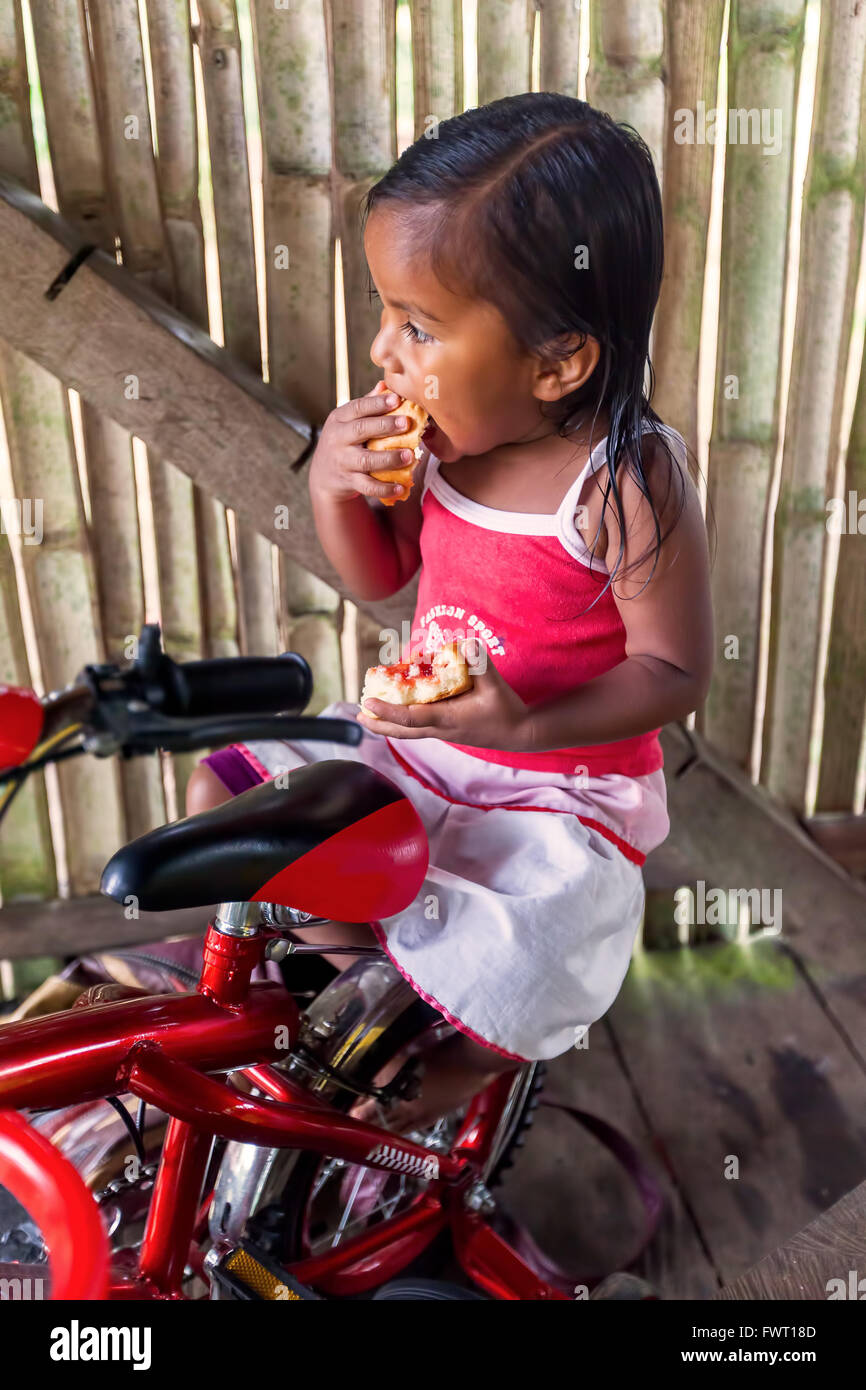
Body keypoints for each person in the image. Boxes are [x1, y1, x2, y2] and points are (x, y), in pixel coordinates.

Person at [187, 93, 715, 1135]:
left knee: (521, 964)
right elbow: (383, 576)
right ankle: (370, 983)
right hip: (418, 749)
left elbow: (672, 672)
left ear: (557, 362)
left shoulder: (623, 481)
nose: (383, 350)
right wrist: (335, 489)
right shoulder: (443, 441)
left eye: (418, 325)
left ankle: (411, 1115)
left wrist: (521, 726)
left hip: (551, 794)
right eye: (384, 311)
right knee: (228, 785)